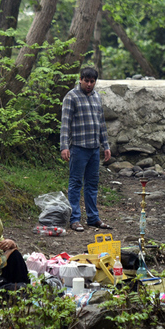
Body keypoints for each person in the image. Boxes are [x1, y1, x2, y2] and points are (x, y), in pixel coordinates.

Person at [60, 67, 112, 232]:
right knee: (75, 183)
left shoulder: (97, 97)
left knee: (92, 183)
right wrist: (64, 147)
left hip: (94, 148)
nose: (89, 84)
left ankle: (93, 218)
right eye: (86, 81)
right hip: (78, 148)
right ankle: (75, 219)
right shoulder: (71, 97)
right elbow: (65, 124)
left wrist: (106, 145)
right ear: (80, 79)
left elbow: (101, 123)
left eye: (92, 81)